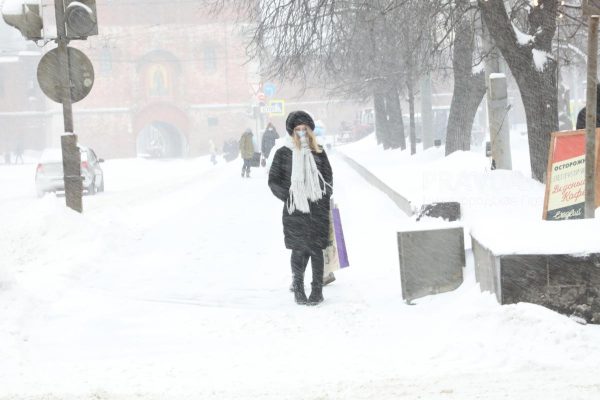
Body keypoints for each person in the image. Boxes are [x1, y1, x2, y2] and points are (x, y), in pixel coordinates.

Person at [268, 111, 333, 306]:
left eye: (305, 129)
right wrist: (289, 196)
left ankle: (317, 290)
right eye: (298, 130)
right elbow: (273, 181)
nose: (302, 133)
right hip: (294, 209)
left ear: (310, 130)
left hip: (317, 209)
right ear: (292, 132)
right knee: (298, 249)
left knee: (316, 250)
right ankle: (298, 288)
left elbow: (328, 179)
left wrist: (322, 197)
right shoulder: (283, 153)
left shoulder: (319, 151)